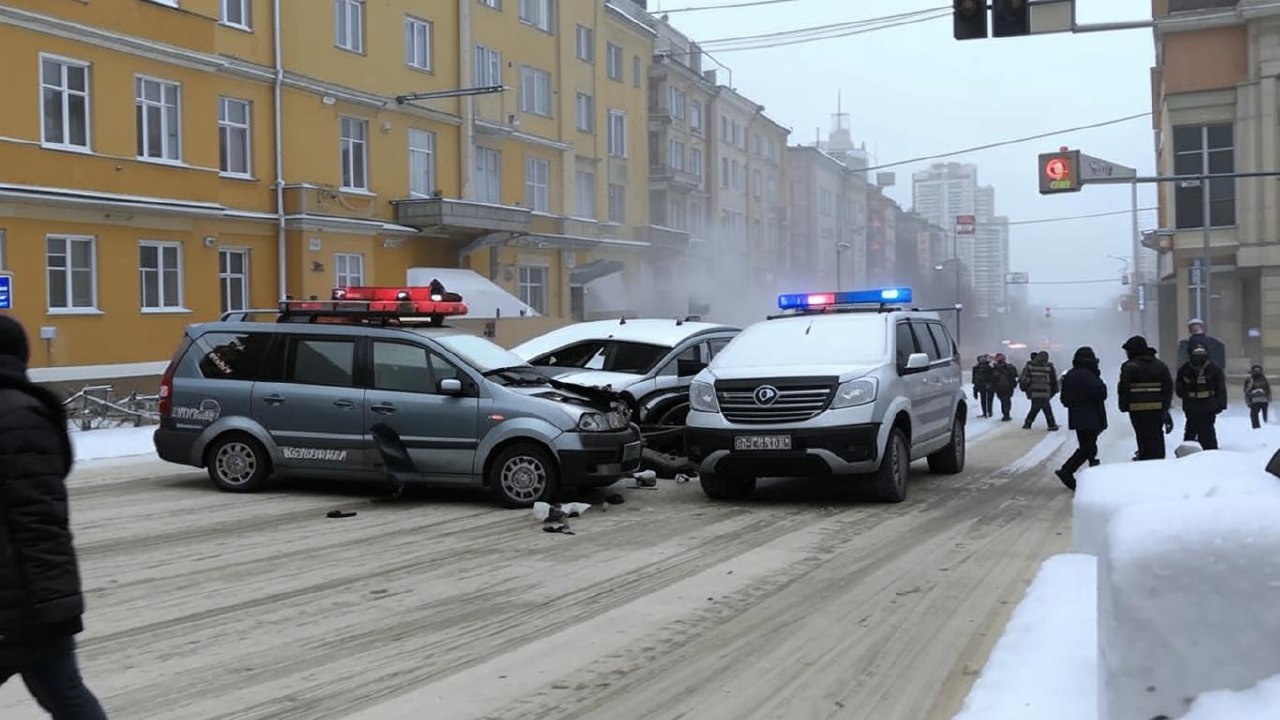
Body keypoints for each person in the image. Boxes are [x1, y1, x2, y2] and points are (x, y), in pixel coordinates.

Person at [0, 316, 108, 719]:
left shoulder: (18, 416)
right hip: (29, 600)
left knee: (67, 696)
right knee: (66, 695)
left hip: (25, 601)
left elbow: (39, 520)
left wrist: (52, 605)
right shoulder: (20, 410)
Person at [1055, 346, 1108, 491]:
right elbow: (1102, 393)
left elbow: (1065, 400)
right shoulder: (1091, 375)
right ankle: (1067, 470)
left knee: (1088, 446)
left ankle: (1090, 471)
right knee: (1088, 448)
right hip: (1092, 416)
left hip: (1078, 417)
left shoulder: (1070, 375)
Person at [1118, 336, 1175, 461]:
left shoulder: (1129, 367)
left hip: (1137, 410)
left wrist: (1123, 405)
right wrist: (1165, 410)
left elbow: (1124, 389)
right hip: (1157, 410)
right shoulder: (1160, 365)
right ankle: (1158, 460)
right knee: (1156, 436)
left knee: (1142, 437)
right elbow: (1168, 389)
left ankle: (1145, 460)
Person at [1176, 344, 1228, 451]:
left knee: (1206, 430)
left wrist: (1221, 404)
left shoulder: (1213, 368)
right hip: (1195, 405)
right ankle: (1192, 451)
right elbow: (1179, 389)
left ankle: (1209, 452)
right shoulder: (1185, 369)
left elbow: (1220, 388)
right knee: (1194, 429)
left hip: (1205, 404)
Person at [1019, 351, 1060, 430]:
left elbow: (1024, 379)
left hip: (1034, 391)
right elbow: (1053, 380)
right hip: (1045, 392)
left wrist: (1025, 389)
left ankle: (1028, 423)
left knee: (1036, 407)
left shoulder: (1030, 366)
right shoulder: (1049, 366)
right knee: (1045, 408)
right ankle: (1051, 425)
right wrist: (1054, 391)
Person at [991, 353, 1018, 422]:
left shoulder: (1004, 368)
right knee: (1005, 401)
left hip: (1005, 387)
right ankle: (1006, 414)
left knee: (1005, 401)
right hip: (1003, 387)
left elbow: (1014, 374)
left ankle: (1006, 414)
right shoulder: (996, 368)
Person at [1245, 364, 1272, 429]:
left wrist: (1248, 401)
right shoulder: (1264, 379)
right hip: (1263, 400)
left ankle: (1257, 427)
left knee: (1254, 415)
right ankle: (1264, 426)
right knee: (1263, 415)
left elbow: (1246, 391)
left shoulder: (1250, 380)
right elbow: (1268, 390)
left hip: (1255, 401)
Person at [972, 354, 995, 419]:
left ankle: (988, 412)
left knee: (987, 399)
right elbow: (974, 378)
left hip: (986, 386)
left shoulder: (988, 368)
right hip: (984, 386)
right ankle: (987, 412)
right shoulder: (977, 368)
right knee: (986, 400)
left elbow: (993, 377)